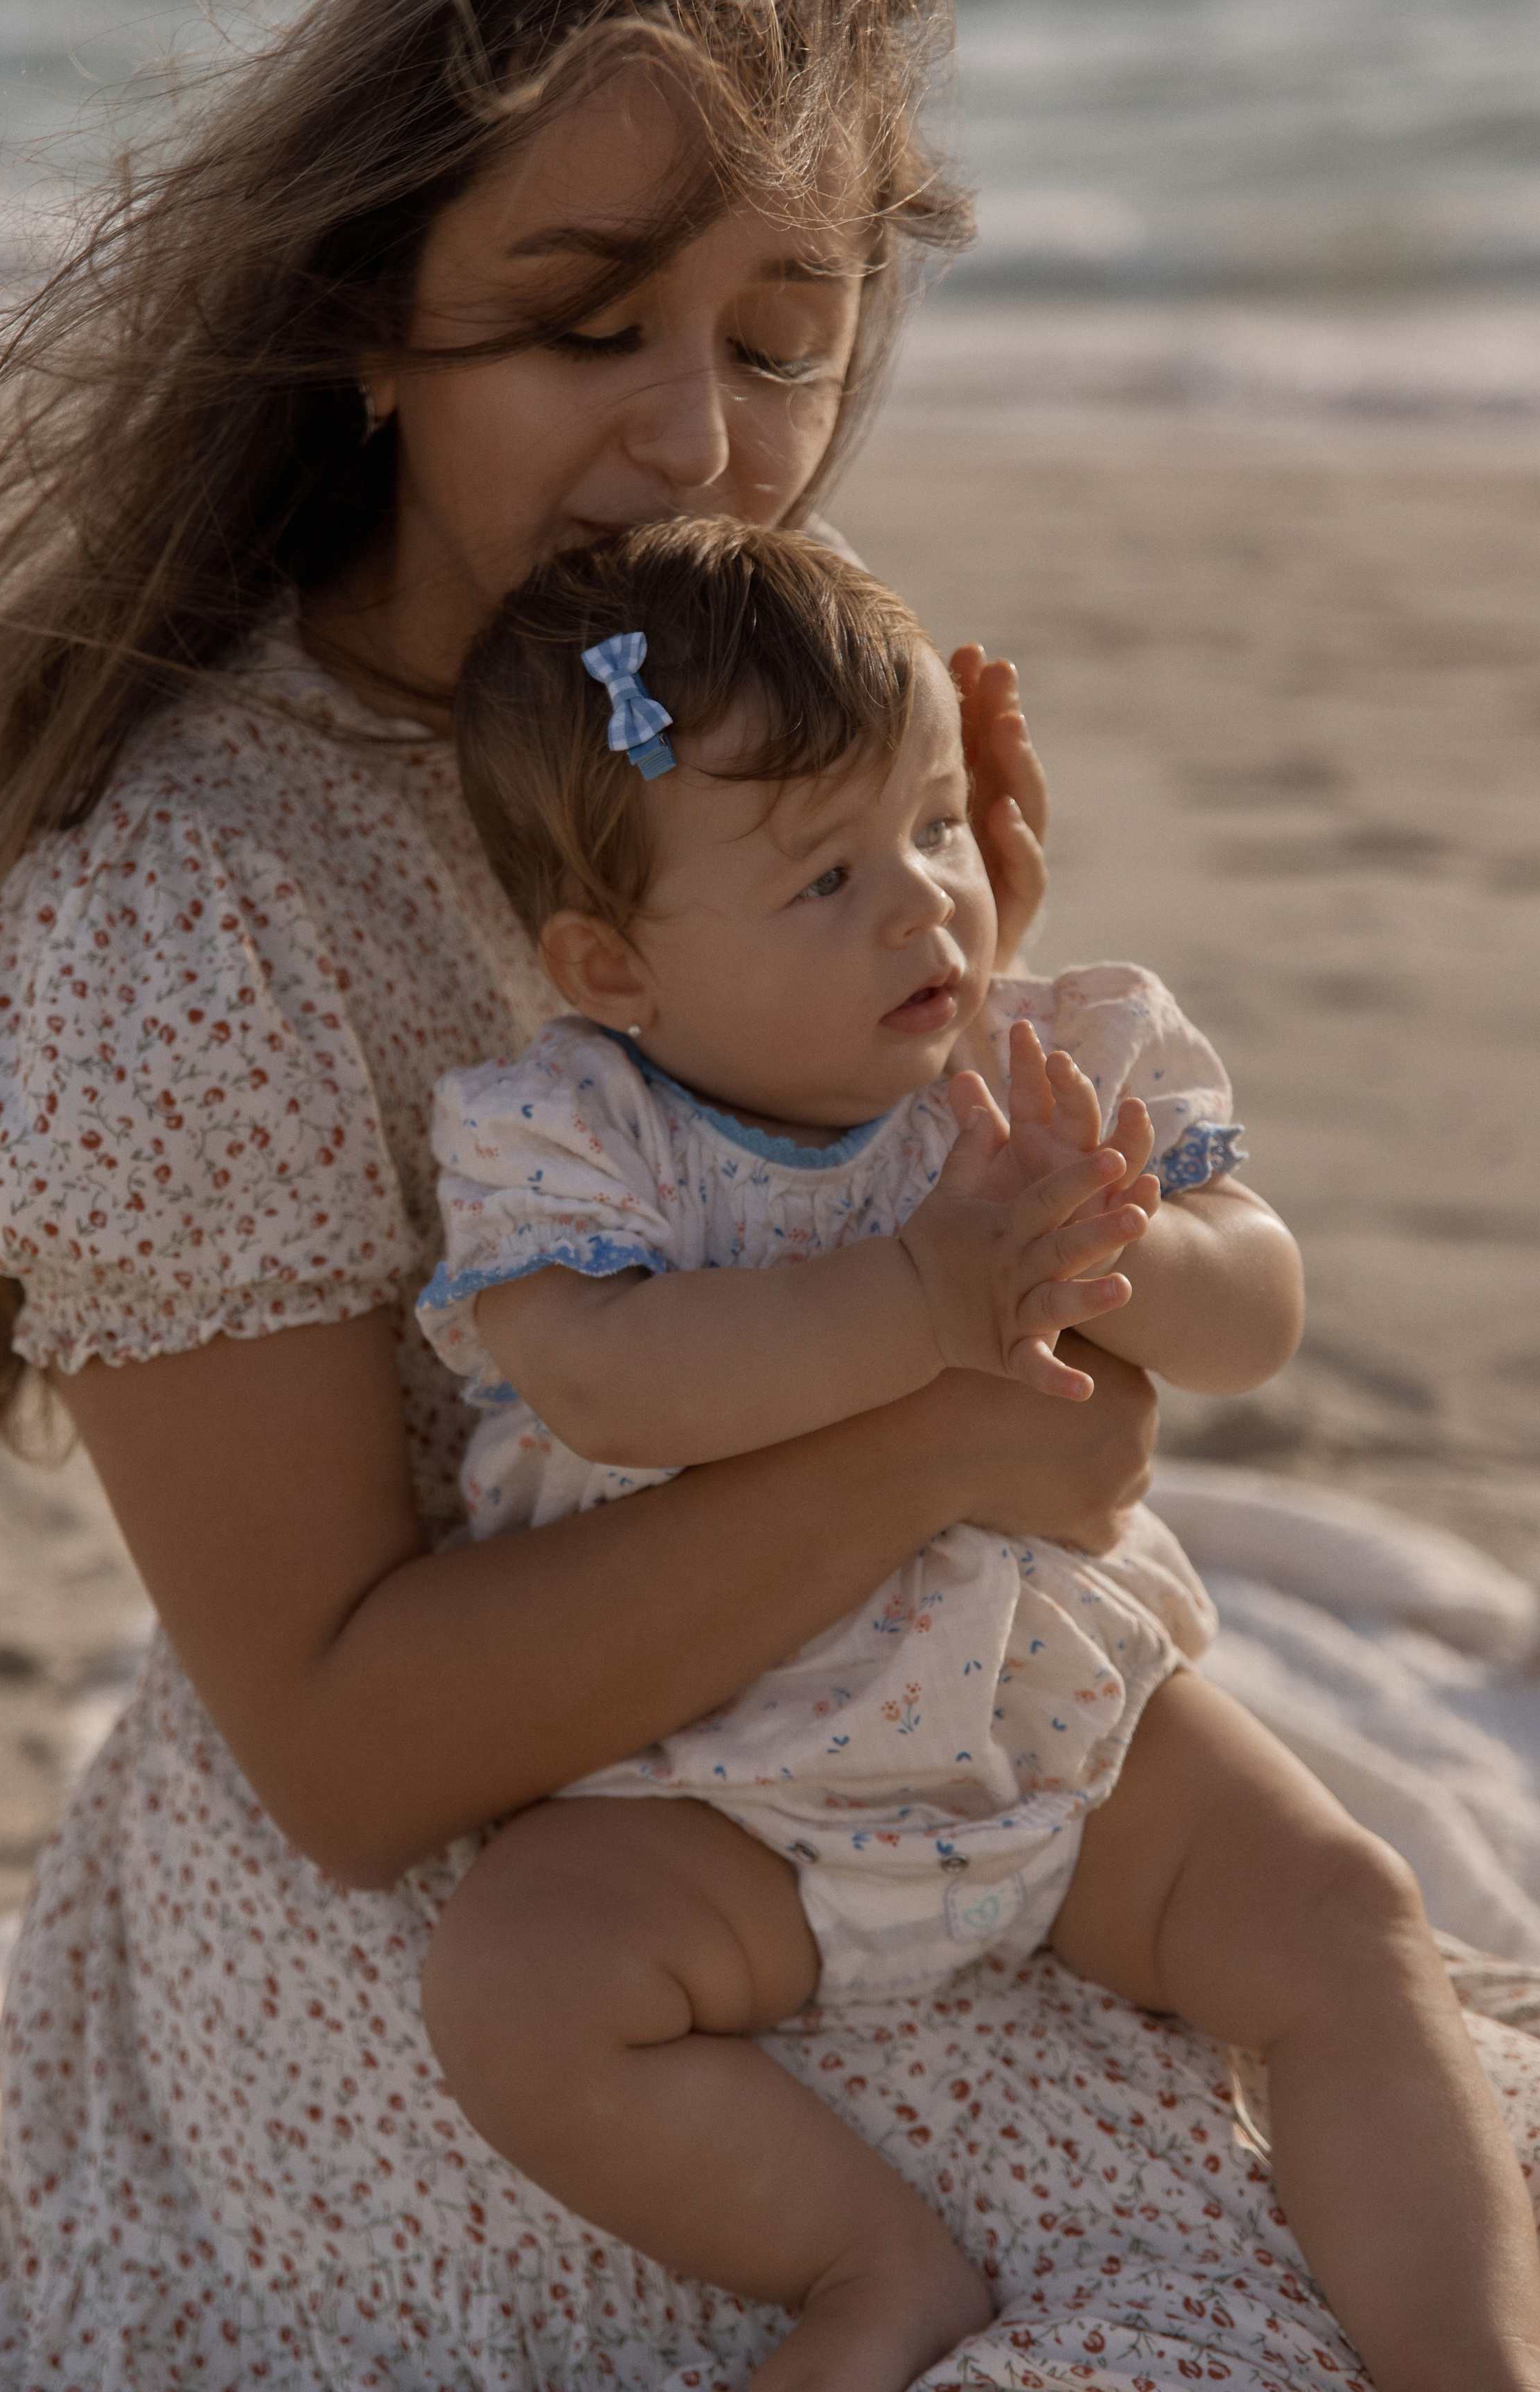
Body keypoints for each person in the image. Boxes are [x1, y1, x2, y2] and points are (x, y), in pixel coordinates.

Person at [0, 0, 1540, 2390]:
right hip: (504, 1937)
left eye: (783, 336)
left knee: (1385, 2145)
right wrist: (944, 1426)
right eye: (586, 321)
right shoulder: (185, 914)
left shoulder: (705, 722)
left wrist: (964, 985)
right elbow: (359, 1760)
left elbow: (877, 1192)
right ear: (368, 315)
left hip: (911, 1727)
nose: (697, 438)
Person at [413, 518, 1540, 2392]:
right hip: (717, 1784)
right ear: (613, 962)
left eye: (936, 828)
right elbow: (605, 1380)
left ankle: (1466, 2364)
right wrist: (923, 1305)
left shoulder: (1050, 1061)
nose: (927, 909)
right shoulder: (571, 1134)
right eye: (827, 876)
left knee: (1348, 1916)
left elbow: (1257, 1314)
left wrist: (1131, 1247)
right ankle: (869, 2268)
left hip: (1055, 1721)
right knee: (515, 1991)